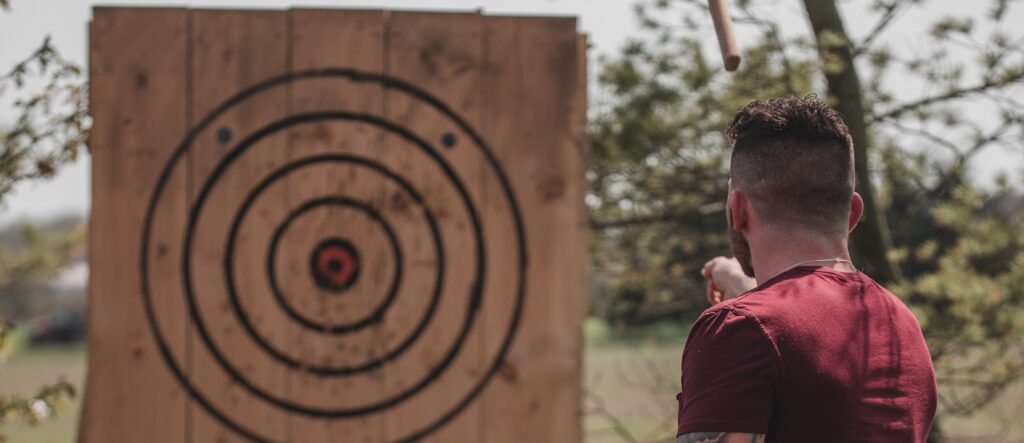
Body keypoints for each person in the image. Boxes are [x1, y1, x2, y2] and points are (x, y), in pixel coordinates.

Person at [675, 96, 937, 443]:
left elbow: (778, 330)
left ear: (737, 209)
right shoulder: (900, 323)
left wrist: (742, 308)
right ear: (853, 214)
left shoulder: (741, 329)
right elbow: (805, 331)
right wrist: (743, 285)